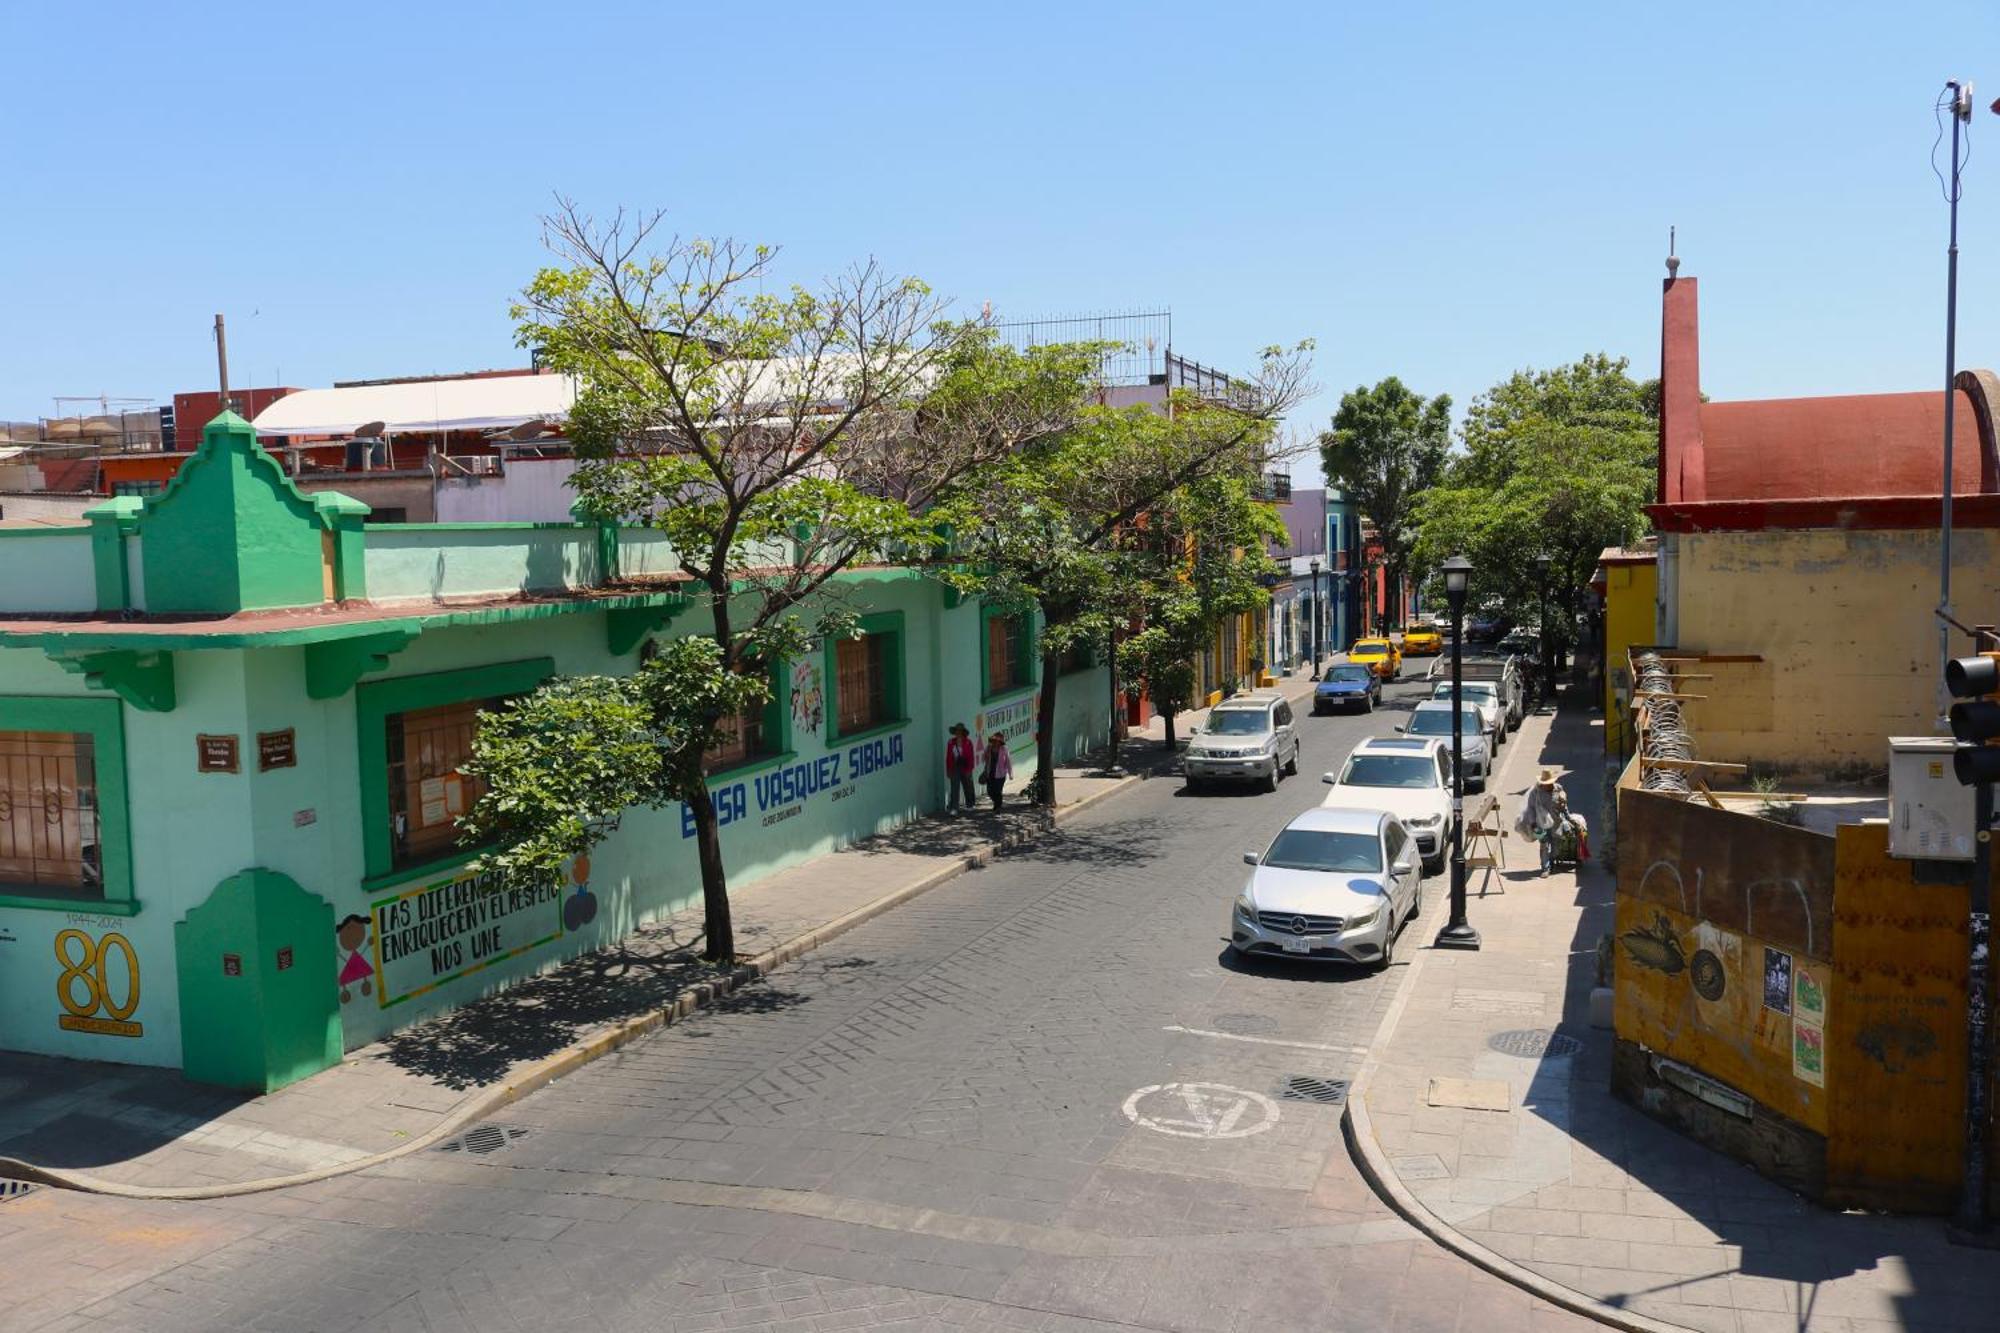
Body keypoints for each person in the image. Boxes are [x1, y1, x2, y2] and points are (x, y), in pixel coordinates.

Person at [1516, 768, 1572, 877]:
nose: (1549, 785)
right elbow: (1531, 808)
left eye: (1550, 783)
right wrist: (1533, 823)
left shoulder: (1559, 790)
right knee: (1544, 845)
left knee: (1556, 846)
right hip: (1541, 823)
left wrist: (1567, 816)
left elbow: (1564, 806)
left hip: (1556, 823)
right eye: (1547, 783)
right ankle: (1545, 868)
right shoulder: (1535, 793)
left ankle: (1551, 861)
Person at [944, 723, 977, 813]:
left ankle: (970, 804)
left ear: (963, 732)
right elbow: (948, 757)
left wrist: (970, 769)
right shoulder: (951, 742)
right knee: (954, 787)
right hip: (954, 767)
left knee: (968, 786)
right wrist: (948, 770)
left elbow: (971, 757)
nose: (958, 733)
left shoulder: (968, 742)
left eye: (960, 731)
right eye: (956, 731)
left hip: (965, 766)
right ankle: (954, 807)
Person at [981, 731, 1014, 811]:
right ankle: (997, 803)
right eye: (994, 741)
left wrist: (1010, 773)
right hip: (990, 773)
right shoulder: (989, 748)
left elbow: (1008, 762)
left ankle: (998, 807)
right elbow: (983, 759)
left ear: (1000, 742)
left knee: (998, 791)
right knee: (990, 791)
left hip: (1001, 774)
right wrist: (986, 755)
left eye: (998, 741)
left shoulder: (1004, 749)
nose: (996, 742)